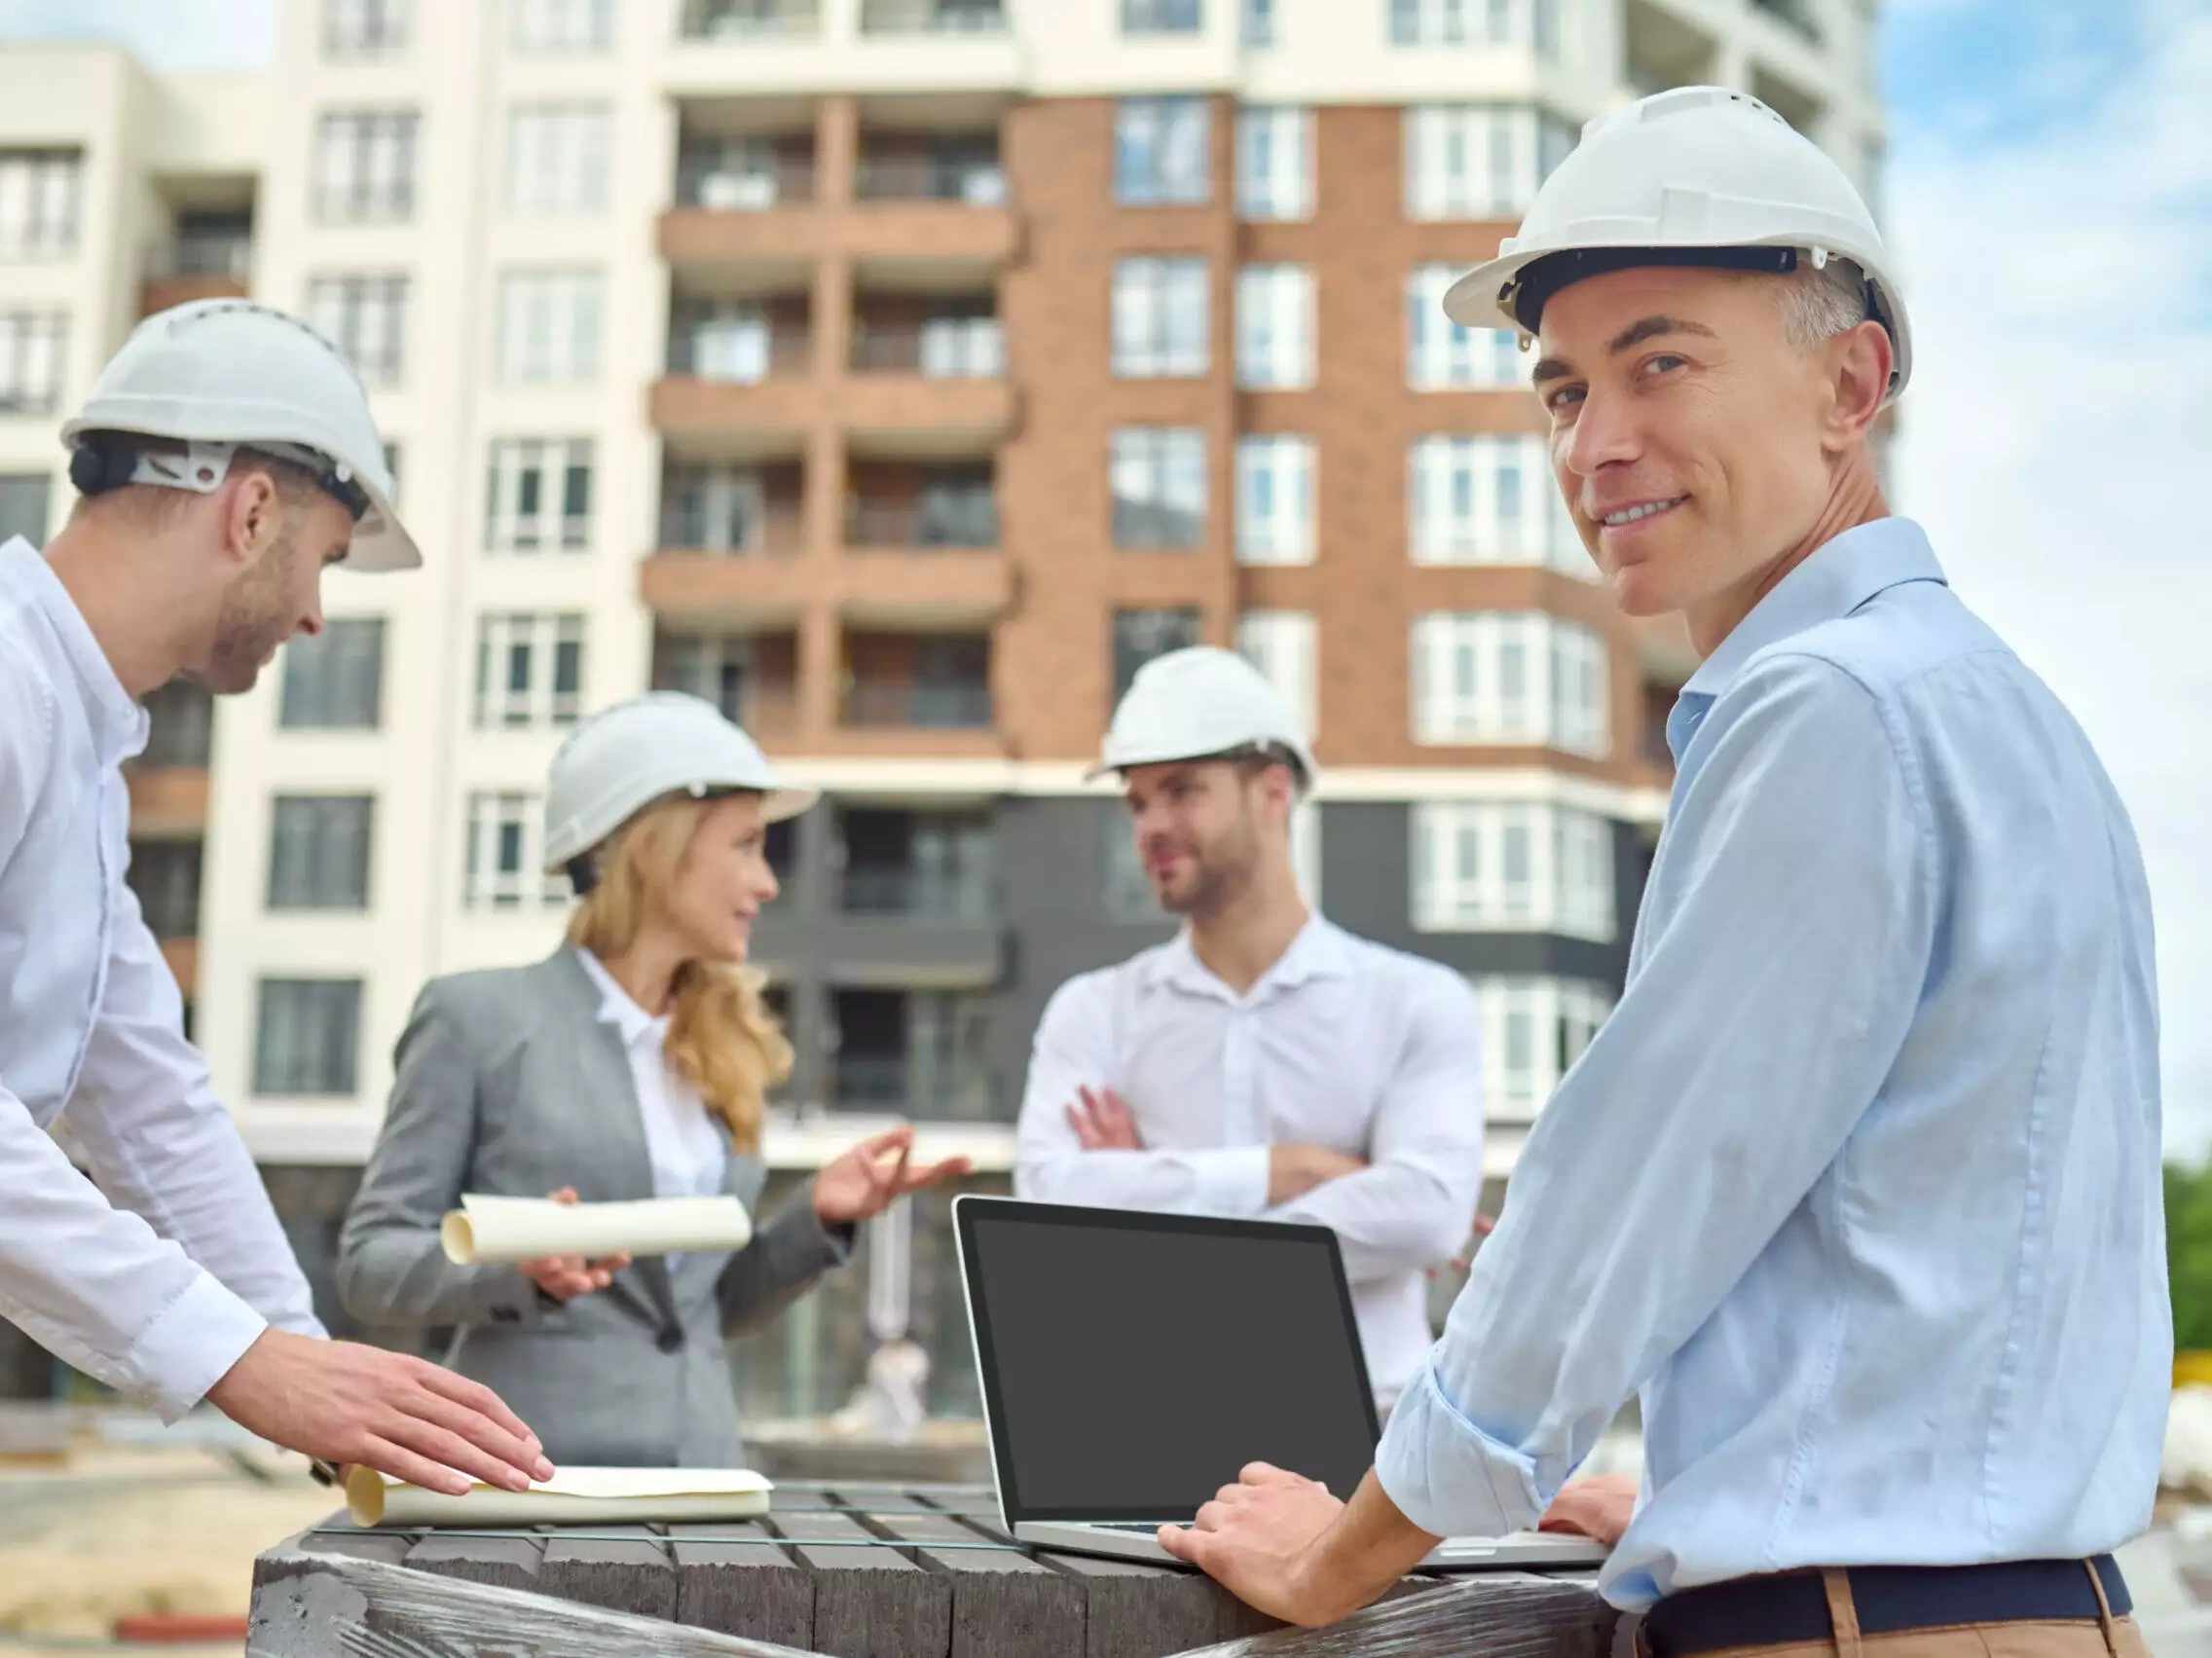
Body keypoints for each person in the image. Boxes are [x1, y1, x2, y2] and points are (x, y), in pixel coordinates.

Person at [1158, 87, 2167, 1658]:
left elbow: (1613, 1203)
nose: (1594, 441)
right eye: (1561, 388)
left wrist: (1344, 1546)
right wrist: (1731, 1483)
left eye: (1663, 363)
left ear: (1854, 382)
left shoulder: (1824, 708)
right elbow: (1963, 1235)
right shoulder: (2003, 717)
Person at [0, 300, 554, 1658]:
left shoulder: (67, 748)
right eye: (324, 560)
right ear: (252, 507)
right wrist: (240, 1358)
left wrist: (311, 1374)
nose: (316, 613)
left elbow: (146, 1097)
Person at [337, 692, 972, 1466]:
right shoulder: (477, 1017)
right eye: (745, 844)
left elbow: (706, 1308)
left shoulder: (724, 1043)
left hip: (702, 1477)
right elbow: (372, 1263)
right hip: (535, 1475)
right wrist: (514, 1265)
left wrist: (817, 1220)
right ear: (650, 847)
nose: (767, 882)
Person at [1014, 645, 1484, 1414]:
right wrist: (1292, 1170)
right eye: (1137, 802)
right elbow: (1043, 1209)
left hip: (1368, 1435)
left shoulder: (1418, 1000)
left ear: (1273, 792)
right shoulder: (1092, 1009)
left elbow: (1427, 1215)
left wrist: (1151, 1224)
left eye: (1182, 792)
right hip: (1149, 1417)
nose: (1151, 826)